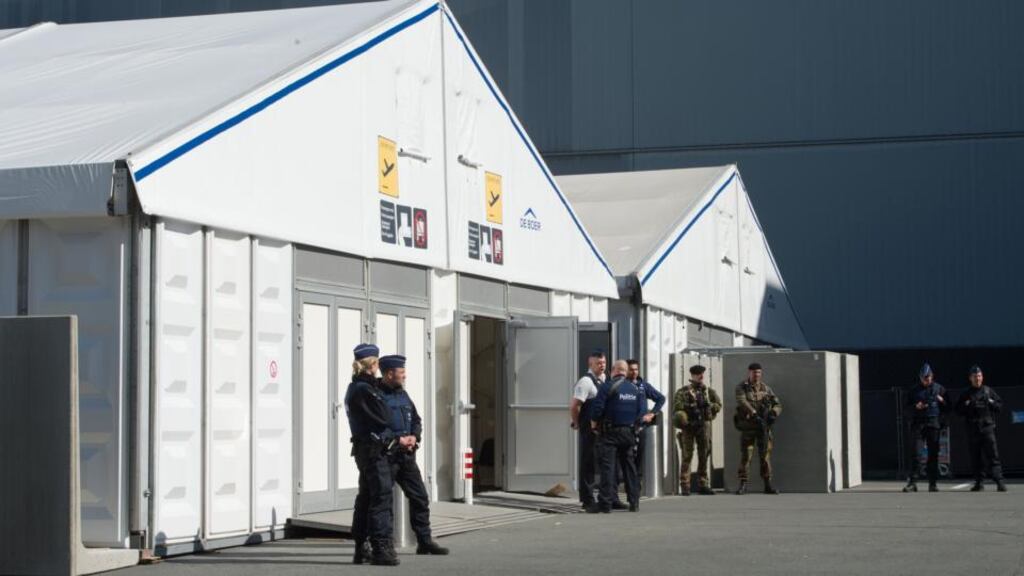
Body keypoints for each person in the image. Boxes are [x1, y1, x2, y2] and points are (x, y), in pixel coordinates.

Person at [378, 354, 450, 555]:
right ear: (390, 373)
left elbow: (416, 419)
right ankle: (382, 544)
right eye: (401, 372)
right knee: (382, 502)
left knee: (420, 497)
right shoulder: (377, 395)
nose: (405, 375)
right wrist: (397, 439)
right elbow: (376, 426)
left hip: (406, 456)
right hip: (387, 456)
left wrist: (414, 437)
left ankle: (424, 541)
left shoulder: (403, 394)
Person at [344, 344, 399, 566]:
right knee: (381, 497)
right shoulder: (364, 390)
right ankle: (380, 546)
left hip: (365, 449)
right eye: (376, 363)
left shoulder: (357, 387)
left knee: (366, 497)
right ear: (373, 365)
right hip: (373, 450)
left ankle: (361, 546)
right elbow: (385, 417)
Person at [588, 360, 643, 513]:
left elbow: (597, 409)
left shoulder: (607, 386)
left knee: (608, 468)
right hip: (629, 432)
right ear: (625, 371)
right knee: (629, 468)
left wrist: (593, 424)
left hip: (610, 433)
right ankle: (634, 502)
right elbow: (640, 412)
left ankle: (605, 504)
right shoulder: (634, 389)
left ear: (614, 370)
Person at [954, 365, 1007, 492]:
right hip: (973, 429)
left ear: (982, 377)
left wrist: (990, 402)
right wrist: (966, 405)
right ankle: (979, 483)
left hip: (987, 428)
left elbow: (999, 406)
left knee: (993, 456)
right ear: (970, 378)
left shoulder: (988, 391)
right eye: (974, 376)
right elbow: (957, 410)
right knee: (975, 457)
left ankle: (999, 481)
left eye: (979, 376)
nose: (977, 378)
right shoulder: (966, 394)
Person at [733, 362, 782, 495]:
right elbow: (742, 401)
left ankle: (768, 484)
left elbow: (777, 404)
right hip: (749, 427)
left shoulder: (766, 388)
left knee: (765, 456)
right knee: (746, 456)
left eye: (759, 372)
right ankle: (743, 485)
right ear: (749, 372)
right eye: (754, 372)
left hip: (763, 428)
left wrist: (774, 413)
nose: (757, 375)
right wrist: (754, 414)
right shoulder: (742, 387)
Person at [571, 351, 611, 509]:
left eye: (604, 363)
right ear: (590, 364)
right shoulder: (585, 382)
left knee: (603, 463)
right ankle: (587, 500)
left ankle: (605, 497)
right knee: (588, 463)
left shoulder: (605, 380)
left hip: (603, 429)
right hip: (589, 428)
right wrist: (576, 422)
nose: (602, 366)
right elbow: (575, 405)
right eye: (598, 363)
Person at [673, 364, 721, 495]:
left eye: (702, 374)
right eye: (698, 374)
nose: (701, 376)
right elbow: (677, 406)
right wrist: (690, 407)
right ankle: (685, 485)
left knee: (704, 454)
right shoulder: (683, 391)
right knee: (687, 455)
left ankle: (703, 484)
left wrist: (708, 406)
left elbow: (718, 405)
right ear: (692, 375)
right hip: (689, 426)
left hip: (704, 425)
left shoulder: (708, 391)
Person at [903, 363, 949, 493]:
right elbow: (905, 410)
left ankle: (932, 483)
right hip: (918, 424)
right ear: (920, 377)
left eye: (928, 377)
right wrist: (915, 407)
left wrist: (942, 401)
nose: (927, 380)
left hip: (933, 424)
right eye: (924, 378)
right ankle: (913, 482)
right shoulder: (913, 391)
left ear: (932, 376)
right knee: (916, 454)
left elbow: (948, 408)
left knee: (933, 455)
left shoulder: (940, 389)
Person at [626, 359, 665, 476]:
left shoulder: (643, 386)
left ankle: (636, 486)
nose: (634, 372)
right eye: (631, 370)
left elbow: (661, 398)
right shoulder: (622, 385)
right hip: (626, 428)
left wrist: (652, 413)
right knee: (626, 457)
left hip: (640, 427)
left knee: (639, 458)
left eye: (636, 369)